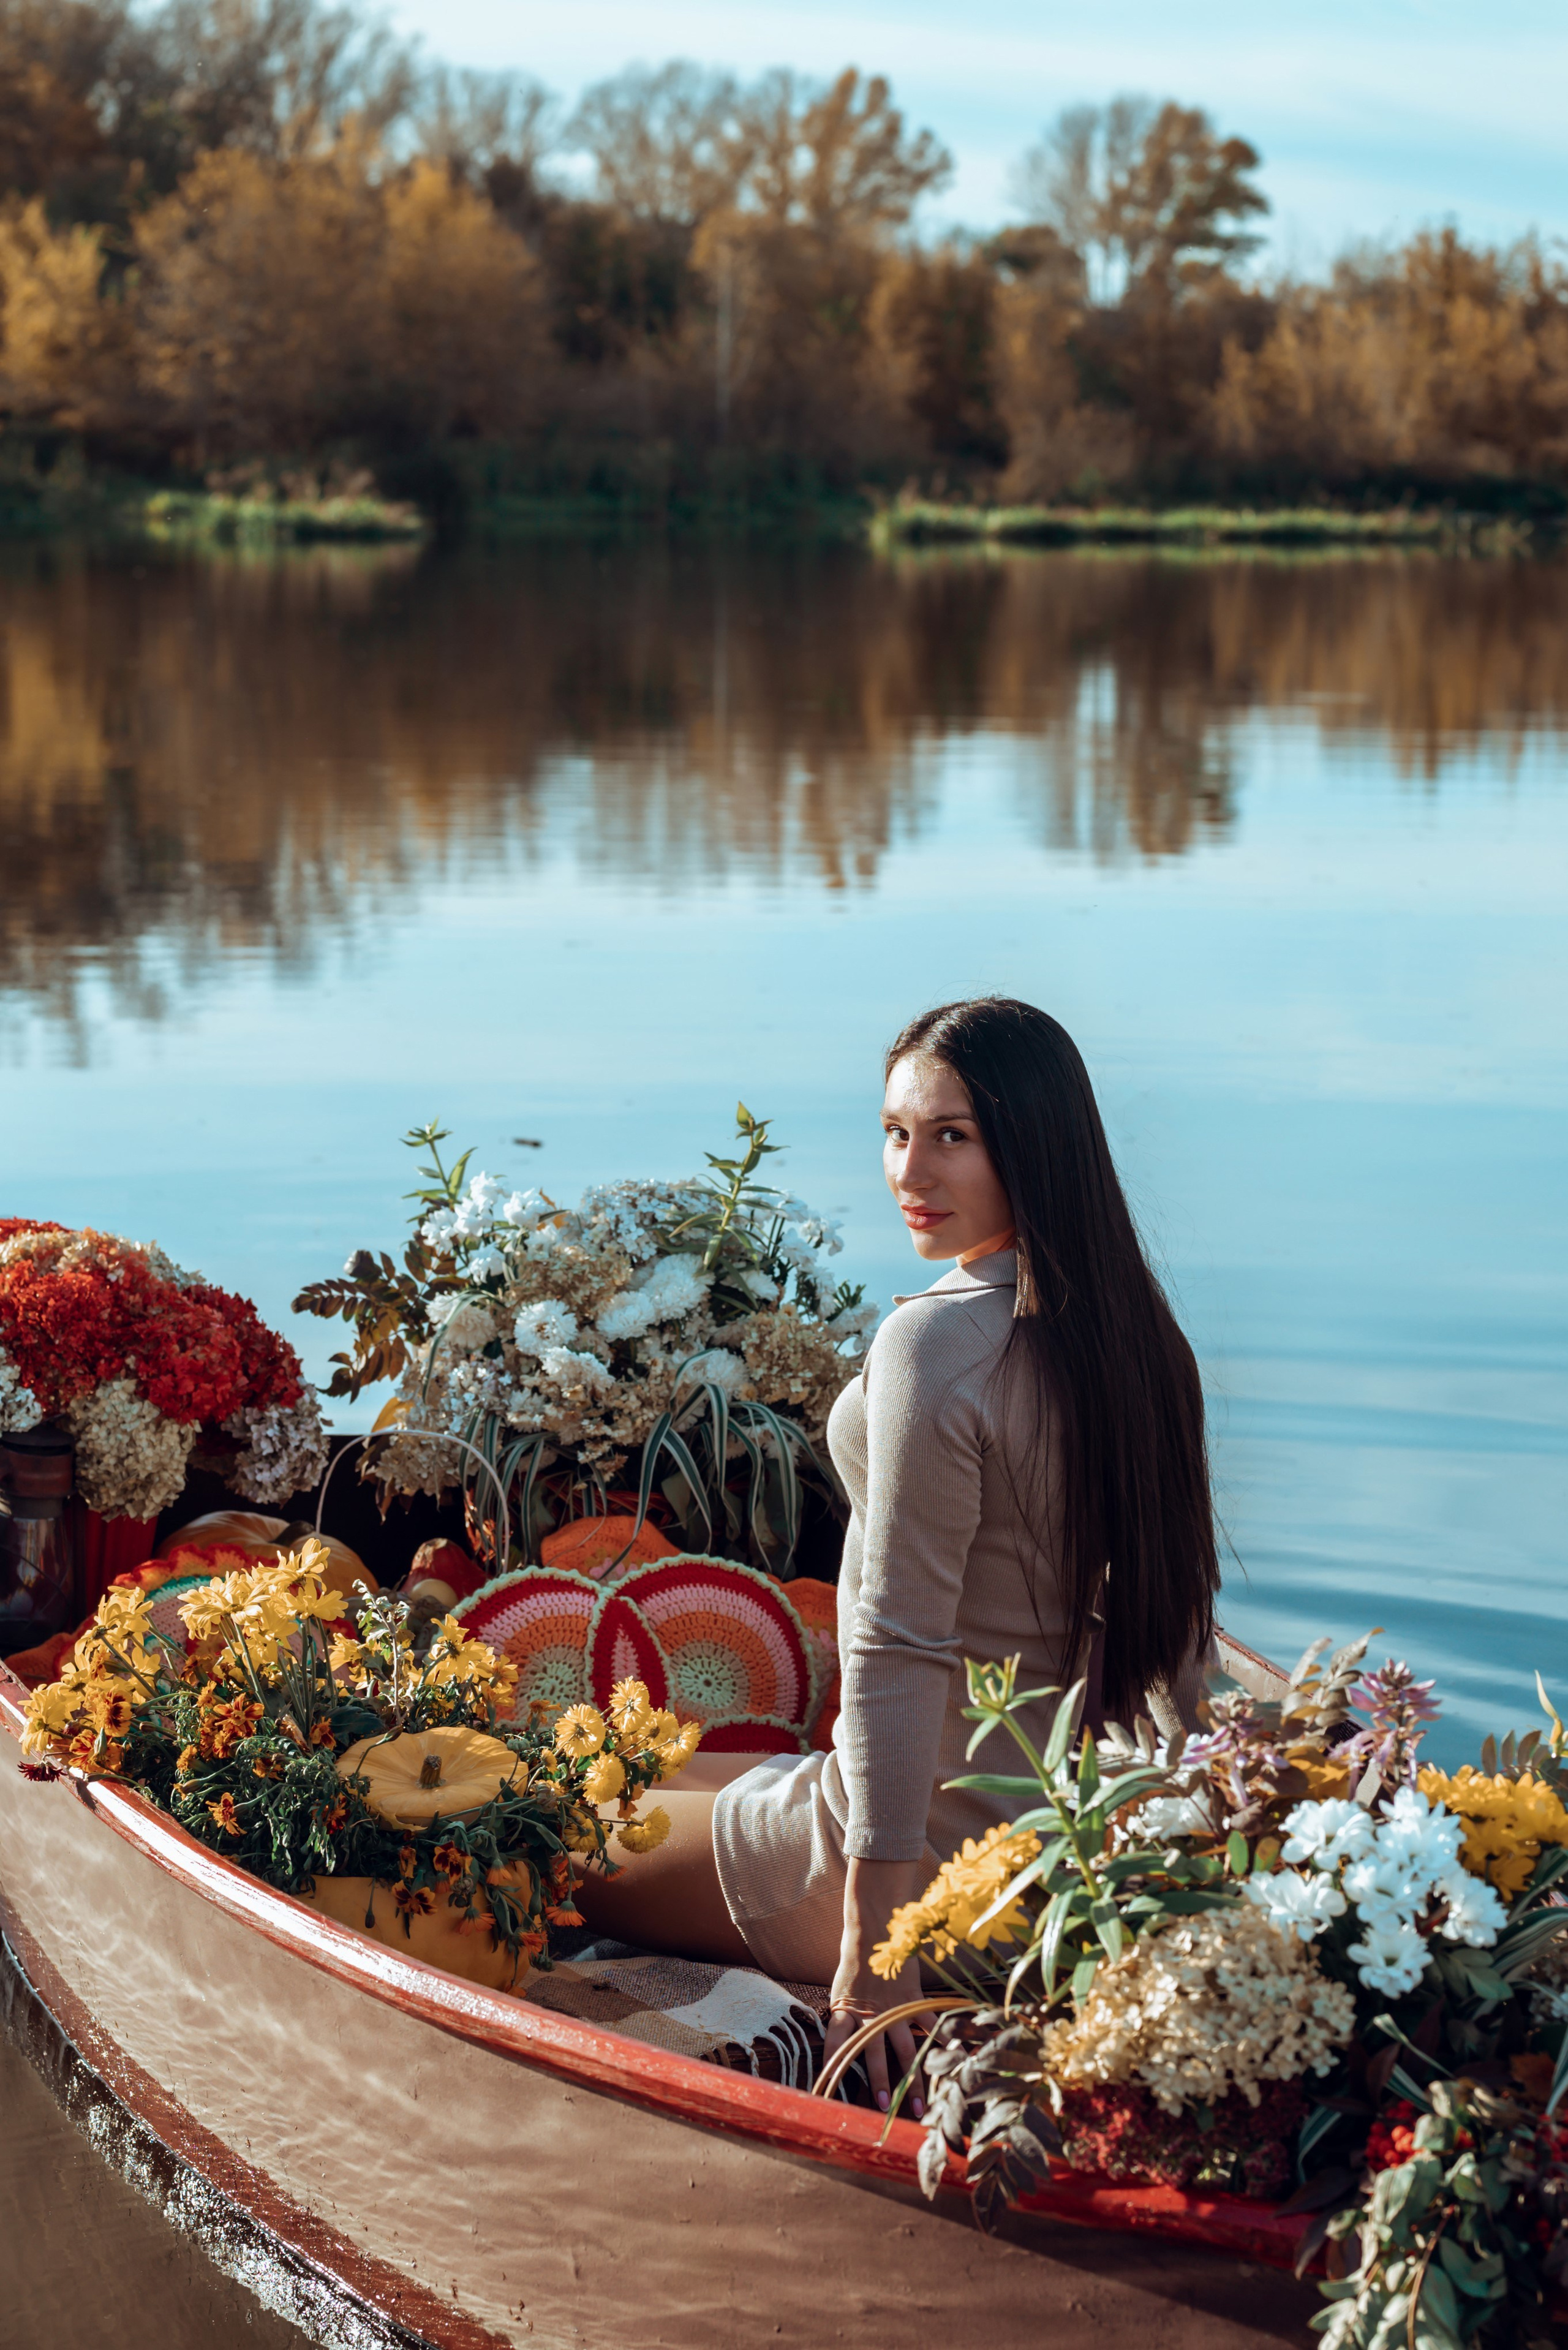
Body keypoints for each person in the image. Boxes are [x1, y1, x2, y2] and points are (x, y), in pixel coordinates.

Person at [572, 997, 1221, 2110]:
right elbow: (1176, 1628)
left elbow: (898, 1647)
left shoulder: (937, 1340)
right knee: (644, 1770)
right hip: (1059, 1837)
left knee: (554, 1831)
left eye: (951, 1136)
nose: (907, 1170)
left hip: (927, 1858)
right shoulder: (1138, 1333)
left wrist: (878, 1960)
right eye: (895, 1131)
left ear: (1035, 1142)